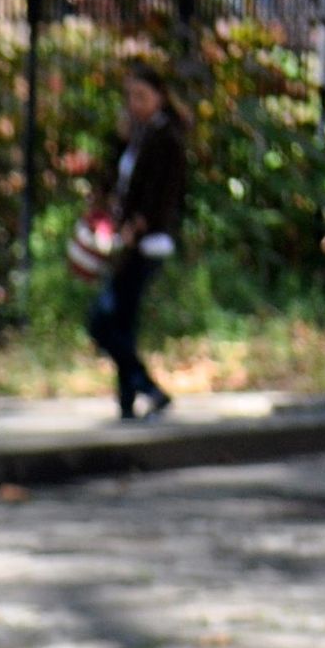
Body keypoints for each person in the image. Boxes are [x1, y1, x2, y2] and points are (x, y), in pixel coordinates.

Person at [86, 62, 188, 422]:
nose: (134, 103)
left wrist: (135, 227)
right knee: (121, 322)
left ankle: (146, 386)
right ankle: (128, 398)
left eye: (142, 96)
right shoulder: (138, 135)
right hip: (128, 240)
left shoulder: (167, 139)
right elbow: (117, 183)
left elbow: (161, 196)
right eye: (130, 96)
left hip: (149, 243)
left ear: (160, 97)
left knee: (102, 320)